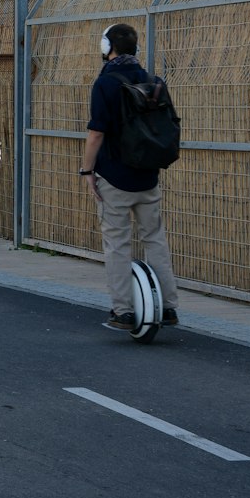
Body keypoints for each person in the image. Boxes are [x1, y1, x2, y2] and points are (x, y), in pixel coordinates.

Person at [80, 23, 180, 331]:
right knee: (155, 240)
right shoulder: (152, 80)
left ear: (106, 47)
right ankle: (169, 308)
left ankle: (122, 311)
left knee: (117, 243)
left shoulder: (105, 84)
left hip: (115, 178)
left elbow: (97, 133)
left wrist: (87, 170)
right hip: (148, 177)